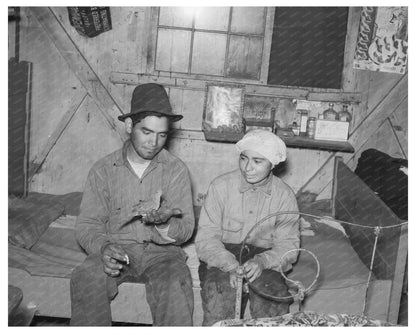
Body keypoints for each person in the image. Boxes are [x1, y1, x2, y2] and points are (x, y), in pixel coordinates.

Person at [70, 83, 195, 326]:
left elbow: (186, 229)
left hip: (162, 255)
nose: (154, 142)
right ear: (129, 126)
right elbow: (87, 225)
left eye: (162, 135)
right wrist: (104, 247)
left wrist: (165, 223)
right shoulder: (103, 170)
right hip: (116, 248)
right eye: (146, 132)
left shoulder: (176, 170)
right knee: (85, 276)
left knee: (176, 285)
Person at [195, 129, 300, 326]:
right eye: (244, 159)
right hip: (223, 255)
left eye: (258, 161)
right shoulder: (220, 186)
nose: (247, 168)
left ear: (273, 164)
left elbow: (289, 246)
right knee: (220, 292)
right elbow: (206, 239)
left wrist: (262, 262)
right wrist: (231, 265)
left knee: (272, 296)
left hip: (264, 259)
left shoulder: (284, 196)